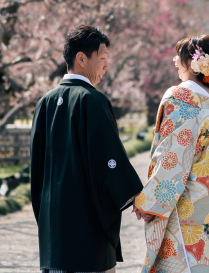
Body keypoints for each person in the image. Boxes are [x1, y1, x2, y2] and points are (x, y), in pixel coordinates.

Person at [30, 25, 144, 273]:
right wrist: (136, 195)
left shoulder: (44, 103)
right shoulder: (93, 101)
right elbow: (109, 161)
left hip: (52, 229)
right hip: (85, 228)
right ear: (81, 58)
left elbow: (36, 171)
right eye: (102, 59)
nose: (106, 66)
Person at [133, 34, 209, 273]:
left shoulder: (182, 99)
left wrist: (149, 202)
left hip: (184, 210)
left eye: (178, 57)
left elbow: (171, 157)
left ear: (192, 64)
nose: (174, 61)